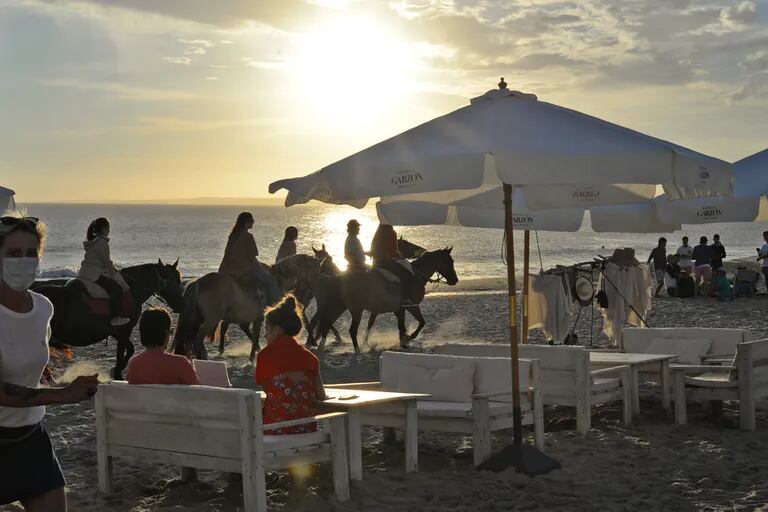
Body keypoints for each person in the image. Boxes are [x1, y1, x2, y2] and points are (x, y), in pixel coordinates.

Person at [0, 213, 99, 512]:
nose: (24, 261)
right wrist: (63, 396)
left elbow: (33, 357)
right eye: (14, 253)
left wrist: (56, 382)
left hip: (30, 437)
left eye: (31, 253)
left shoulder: (44, 307)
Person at [254, 294, 326, 435]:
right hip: (306, 431)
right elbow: (321, 395)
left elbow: (266, 389)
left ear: (277, 330)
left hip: (274, 430)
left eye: (266, 330)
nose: (264, 335)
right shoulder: (310, 357)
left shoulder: (264, 356)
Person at [126, 307, 200, 385]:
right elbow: (199, 392)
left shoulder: (134, 363)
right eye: (170, 331)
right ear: (166, 333)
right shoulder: (180, 363)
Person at [219, 212, 280, 305]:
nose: (253, 222)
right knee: (270, 281)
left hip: (227, 269)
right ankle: (274, 306)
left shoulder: (232, 236)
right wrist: (261, 268)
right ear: (246, 222)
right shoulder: (248, 236)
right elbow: (252, 257)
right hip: (243, 270)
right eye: (252, 220)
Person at [77, 218, 129, 326]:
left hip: (84, 272)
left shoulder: (93, 241)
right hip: (94, 274)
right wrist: (116, 273)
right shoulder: (102, 243)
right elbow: (107, 263)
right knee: (117, 289)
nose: (109, 230)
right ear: (104, 228)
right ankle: (115, 317)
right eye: (108, 228)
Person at [369, 224, 415, 301]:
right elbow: (393, 251)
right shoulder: (391, 233)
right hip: (386, 262)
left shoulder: (378, 233)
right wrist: (400, 256)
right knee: (407, 274)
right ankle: (405, 297)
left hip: (376, 261)